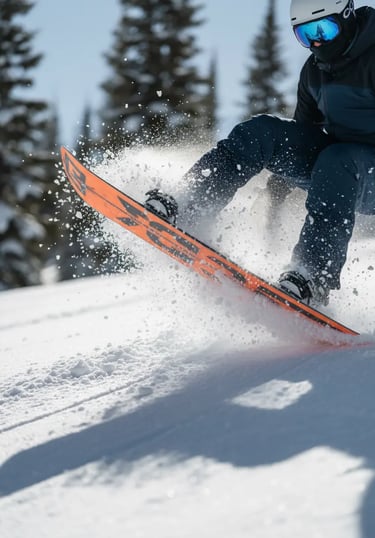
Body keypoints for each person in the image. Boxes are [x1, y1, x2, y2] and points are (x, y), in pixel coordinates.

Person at [146, 0, 375, 307]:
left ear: (346, 17)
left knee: (337, 161)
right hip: (339, 167)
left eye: (324, 29)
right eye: (305, 35)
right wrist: (283, 178)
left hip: (361, 173)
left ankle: (311, 277)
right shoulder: (314, 73)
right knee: (262, 131)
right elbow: (304, 132)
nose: (317, 41)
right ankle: (190, 205)